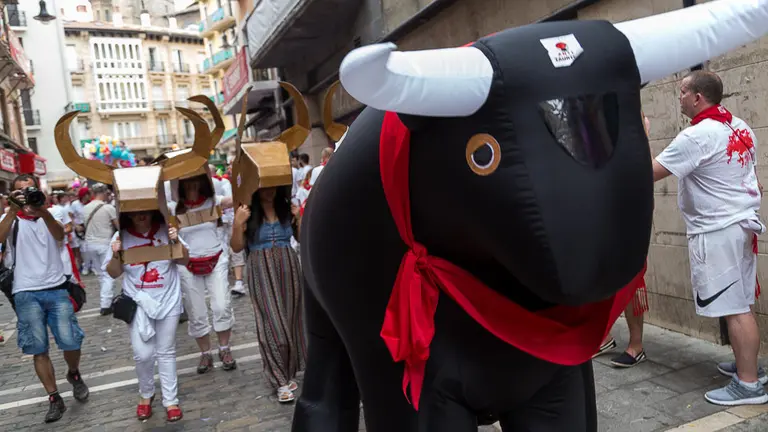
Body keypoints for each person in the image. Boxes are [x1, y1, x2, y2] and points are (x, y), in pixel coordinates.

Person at [653, 70, 766, 406]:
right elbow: (753, 179)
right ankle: (748, 366)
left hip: (719, 231)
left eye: (683, 92)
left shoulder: (697, 135)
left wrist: (635, 139)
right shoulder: (739, 125)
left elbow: (649, 172)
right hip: (740, 225)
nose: (679, 97)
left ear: (697, 97)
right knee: (741, 303)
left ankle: (748, 385)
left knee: (735, 308)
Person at [0, 174, 89, 423]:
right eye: (20, 192)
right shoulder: (10, 219)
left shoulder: (51, 215)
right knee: (38, 349)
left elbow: (59, 235)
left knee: (71, 341)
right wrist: (12, 210)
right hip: (25, 291)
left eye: (29, 190)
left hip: (56, 288)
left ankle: (73, 373)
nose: (26, 195)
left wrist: (41, 210)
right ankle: (54, 397)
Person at [105, 210, 188, 422]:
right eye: (135, 212)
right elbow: (113, 272)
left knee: (166, 351)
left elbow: (184, 261)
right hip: (138, 302)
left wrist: (175, 240)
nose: (141, 216)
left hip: (167, 299)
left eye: (145, 211)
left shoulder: (167, 230)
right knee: (143, 354)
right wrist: (116, 254)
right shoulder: (121, 236)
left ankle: (171, 400)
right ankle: (146, 393)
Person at [231, 186, 306, 403]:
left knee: (291, 322)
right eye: (265, 186)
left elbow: (301, 239)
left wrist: (299, 218)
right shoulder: (247, 212)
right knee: (272, 325)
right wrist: (237, 223)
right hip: (260, 270)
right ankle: (279, 380)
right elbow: (236, 247)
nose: (270, 190)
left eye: (273, 185)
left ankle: (287, 373)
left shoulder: (286, 209)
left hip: (288, 267)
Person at [169, 173, 237, 373]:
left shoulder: (214, 202)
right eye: (187, 180)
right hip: (187, 264)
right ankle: (205, 353)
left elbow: (239, 197)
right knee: (196, 311)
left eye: (195, 179)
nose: (192, 184)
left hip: (215, 258)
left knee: (222, 305)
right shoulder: (174, 209)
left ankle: (224, 348)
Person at [82, 183, 118, 315]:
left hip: (89, 244)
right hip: (104, 243)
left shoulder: (85, 208)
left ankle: (106, 299)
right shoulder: (108, 208)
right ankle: (106, 303)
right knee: (108, 274)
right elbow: (118, 226)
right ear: (104, 193)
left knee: (100, 274)